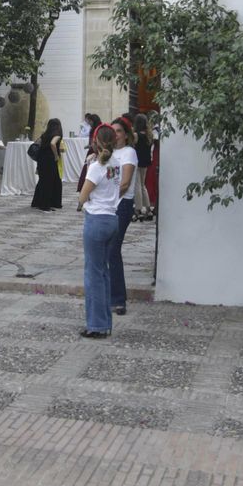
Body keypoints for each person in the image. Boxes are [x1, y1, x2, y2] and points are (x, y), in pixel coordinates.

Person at [78, 123, 121, 338]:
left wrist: (89, 166)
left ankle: (96, 325)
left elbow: (83, 195)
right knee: (103, 272)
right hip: (112, 218)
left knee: (93, 275)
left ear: (95, 142)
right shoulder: (116, 163)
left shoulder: (96, 167)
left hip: (96, 219)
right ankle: (105, 322)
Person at [107, 115, 137, 315]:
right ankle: (112, 295)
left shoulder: (129, 153)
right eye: (113, 131)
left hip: (122, 204)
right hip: (109, 206)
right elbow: (109, 179)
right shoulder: (109, 154)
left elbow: (124, 183)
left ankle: (118, 300)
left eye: (119, 131)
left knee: (113, 249)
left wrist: (108, 198)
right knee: (107, 250)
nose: (116, 135)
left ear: (126, 135)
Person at [30, 117, 64, 210]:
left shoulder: (45, 134)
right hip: (50, 160)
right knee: (49, 182)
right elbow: (53, 144)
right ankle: (45, 205)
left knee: (43, 181)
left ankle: (37, 202)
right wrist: (56, 155)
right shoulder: (57, 134)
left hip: (41, 159)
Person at [133, 112, 155, 221]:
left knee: (137, 185)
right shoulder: (149, 135)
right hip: (145, 161)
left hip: (137, 161)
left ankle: (138, 209)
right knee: (143, 185)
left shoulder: (136, 135)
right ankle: (148, 209)